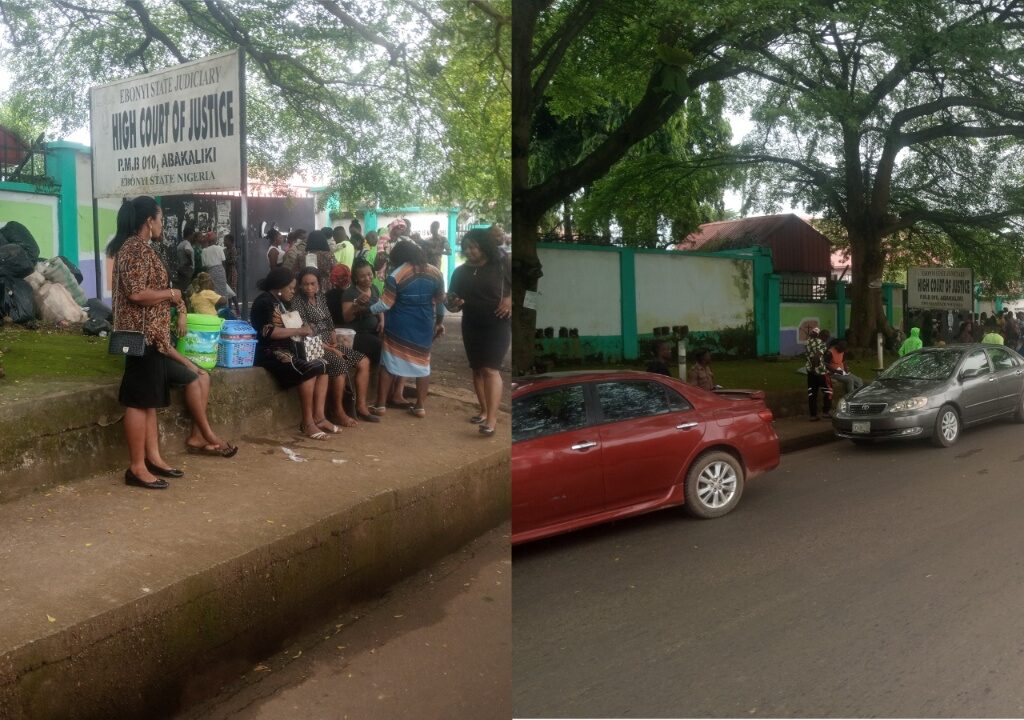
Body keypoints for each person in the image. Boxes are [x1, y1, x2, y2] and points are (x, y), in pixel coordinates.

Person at [108, 196, 237, 490]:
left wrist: (172, 298)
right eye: (160, 218)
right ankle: (137, 468)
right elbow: (137, 294)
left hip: (153, 337)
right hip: (140, 337)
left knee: (149, 403)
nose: (162, 223)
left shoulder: (142, 249)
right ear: (148, 221)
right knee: (138, 404)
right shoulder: (133, 249)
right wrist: (171, 294)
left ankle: (153, 459)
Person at [249, 265, 332, 440]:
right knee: (308, 369)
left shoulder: (280, 303)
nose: (293, 291)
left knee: (323, 366)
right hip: (269, 352)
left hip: (287, 349)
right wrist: (300, 331)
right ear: (280, 287)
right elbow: (268, 332)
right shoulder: (263, 302)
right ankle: (307, 423)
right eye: (291, 288)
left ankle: (319, 417)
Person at [368, 240, 446, 418]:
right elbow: (440, 301)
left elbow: (385, 304)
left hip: (398, 325)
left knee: (388, 364)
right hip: (424, 323)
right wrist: (439, 322)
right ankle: (420, 407)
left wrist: (367, 309)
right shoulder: (435, 272)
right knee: (423, 365)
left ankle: (380, 405)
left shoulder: (396, 275)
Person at [293, 267, 378, 426]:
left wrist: (334, 339)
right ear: (300, 285)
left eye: (313, 284)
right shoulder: (298, 302)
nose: (309, 288)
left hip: (331, 343)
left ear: (318, 284)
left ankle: (361, 406)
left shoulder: (321, 298)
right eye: (305, 284)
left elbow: (329, 321)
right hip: (316, 347)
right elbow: (307, 334)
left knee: (363, 361)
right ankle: (338, 411)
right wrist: (331, 348)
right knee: (339, 363)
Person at [447, 229, 512, 435]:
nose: (469, 251)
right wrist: (453, 304)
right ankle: (484, 411)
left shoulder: (502, 265)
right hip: (471, 324)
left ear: (484, 246)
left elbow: (529, 287)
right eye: (465, 247)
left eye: (473, 246)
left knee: (490, 369)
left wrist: (510, 299)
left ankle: (491, 421)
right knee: (476, 369)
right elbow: (451, 302)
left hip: (497, 324)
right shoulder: (459, 272)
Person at [338, 258, 384, 363]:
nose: (367, 278)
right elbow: (347, 318)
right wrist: (356, 304)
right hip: (358, 334)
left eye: (369, 274)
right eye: (362, 276)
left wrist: (382, 321)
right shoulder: (350, 293)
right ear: (356, 278)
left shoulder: (374, 288)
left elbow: (379, 306)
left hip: (374, 331)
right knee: (380, 348)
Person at [201, 231, 235, 304]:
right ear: (214, 240)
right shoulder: (220, 248)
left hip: (210, 272)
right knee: (222, 292)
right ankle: (224, 309)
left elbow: (204, 266)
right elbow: (223, 262)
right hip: (220, 272)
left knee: (212, 291)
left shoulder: (204, 251)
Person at [805, 327, 831, 421]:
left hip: (809, 372)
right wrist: (814, 368)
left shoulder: (808, 342)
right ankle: (826, 412)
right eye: (827, 337)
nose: (827, 339)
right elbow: (817, 356)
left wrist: (811, 369)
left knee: (812, 393)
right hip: (820, 371)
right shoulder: (823, 344)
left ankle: (813, 415)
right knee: (828, 391)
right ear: (824, 336)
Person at [174, 221, 198, 292]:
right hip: (186, 270)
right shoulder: (187, 244)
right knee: (187, 289)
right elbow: (188, 251)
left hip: (181, 269)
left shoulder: (180, 244)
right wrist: (190, 263)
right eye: (193, 235)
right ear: (190, 235)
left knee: (182, 288)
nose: (193, 237)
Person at [223, 234, 240, 315]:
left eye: (225, 240)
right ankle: (230, 309)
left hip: (231, 272)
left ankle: (237, 309)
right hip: (226, 272)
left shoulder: (233, 250)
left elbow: (233, 261)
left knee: (232, 291)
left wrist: (224, 261)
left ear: (230, 241)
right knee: (228, 291)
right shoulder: (225, 250)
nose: (224, 242)